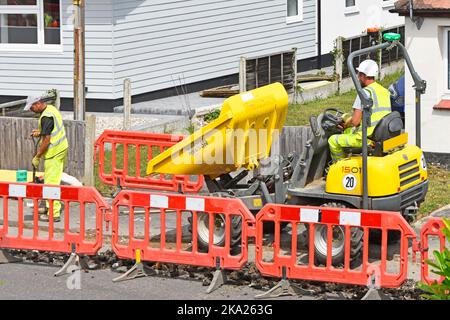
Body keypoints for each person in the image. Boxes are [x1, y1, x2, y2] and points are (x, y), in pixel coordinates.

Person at [328, 60, 391, 162]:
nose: (358, 78)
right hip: (381, 134)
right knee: (348, 131)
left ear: (363, 75)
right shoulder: (384, 91)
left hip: (367, 138)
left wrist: (345, 124)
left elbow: (356, 121)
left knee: (332, 140)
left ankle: (340, 167)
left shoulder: (364, 94)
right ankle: (350, 159)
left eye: (359, 75)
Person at [24, 96, 68, 222]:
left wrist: (37, 156)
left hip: (54, 153)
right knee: (52, 179)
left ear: (38, 104)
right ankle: (49, 206)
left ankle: (53, 214)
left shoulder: (46, 117)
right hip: (61, 148)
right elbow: (50, 130)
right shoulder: (51, 109)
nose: (31, 110)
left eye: (32, 107)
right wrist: (40, 131)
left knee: (51, 183)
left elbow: (47, 140)